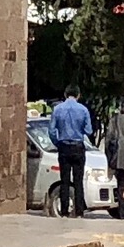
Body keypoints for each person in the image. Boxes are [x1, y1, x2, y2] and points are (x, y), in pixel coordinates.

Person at [48, 89, 93, 217]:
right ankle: (79, 211)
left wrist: (58, 143)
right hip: (78, 147)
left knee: (64, 180)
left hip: (63, 147)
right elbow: (89, 130)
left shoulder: (57, 109)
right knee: (78, 180)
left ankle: (64, 211)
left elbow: (51, 130)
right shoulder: (83, 110)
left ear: (65, 95)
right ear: (78, 95)